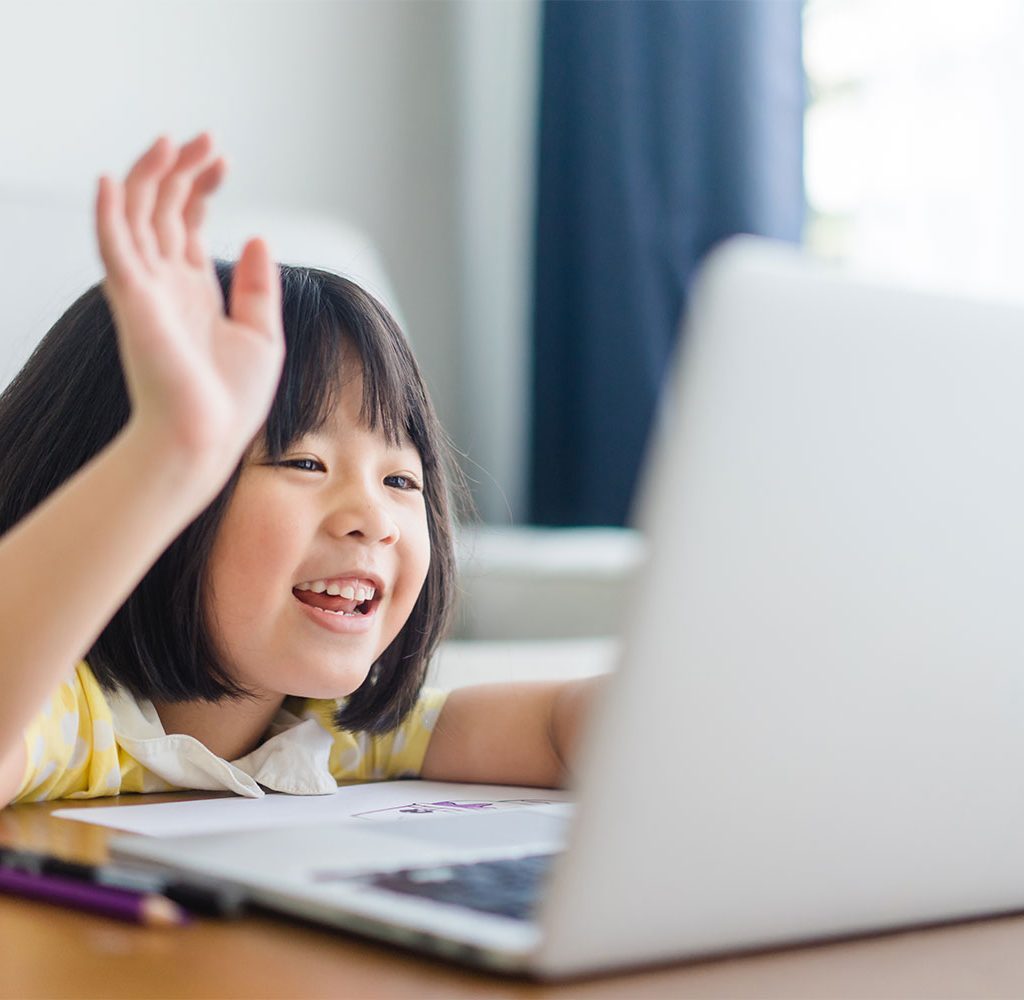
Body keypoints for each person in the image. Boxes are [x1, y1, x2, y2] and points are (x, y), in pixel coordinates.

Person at [0, 133, 599, 807]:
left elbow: (558, 732)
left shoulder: (326, 731)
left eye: (400, 480)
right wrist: (165, 452)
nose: (375, 520)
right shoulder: (67, 716)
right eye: (306, 461)